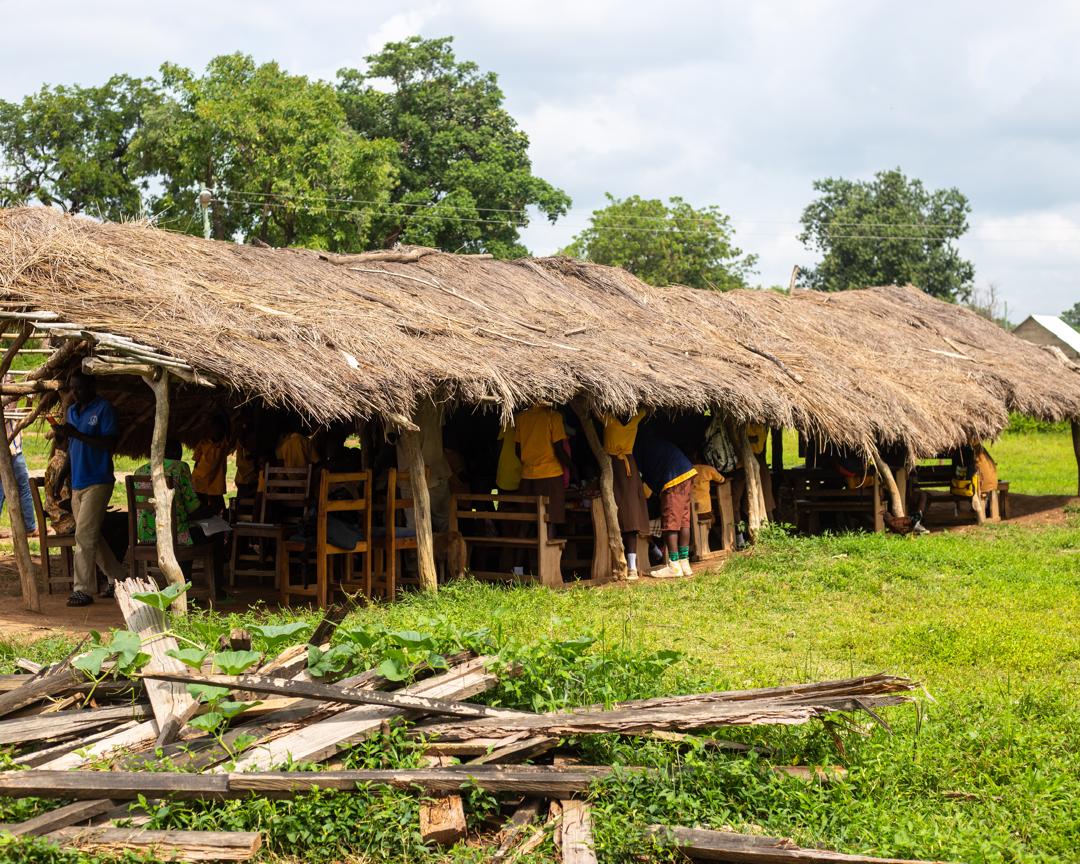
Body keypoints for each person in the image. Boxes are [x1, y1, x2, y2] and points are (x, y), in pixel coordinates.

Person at [54, 372, 125, 606]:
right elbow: (72, 448)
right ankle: (120, 578)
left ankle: (82, 590)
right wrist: (60, 477)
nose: (76, 393)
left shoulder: (104, 409)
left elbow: (109, 444)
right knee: (91, 537)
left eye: (81, 388)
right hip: (77, 483)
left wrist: (78, 434)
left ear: (92, 385)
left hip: (98, 480)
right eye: (73, 389)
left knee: (83, 536)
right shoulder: (73, 412)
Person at [134, 438, 225, 600]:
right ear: (176, 453)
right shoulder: (179, 468)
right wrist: (212, 511)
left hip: (148, 536)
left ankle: (183, 582)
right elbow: (194, 509)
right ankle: (216, 589)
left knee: (189, 530)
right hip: (175, 537)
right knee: (215, 536)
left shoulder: (140, 471)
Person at [633, 426, 697, 578]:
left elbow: (638, 476)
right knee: (683, 521)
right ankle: (684, 563)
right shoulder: (656, 443)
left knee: (670, 523)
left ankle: (674, 565)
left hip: (672, 478)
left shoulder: (638, 448)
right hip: (687, 473)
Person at [603, 409, 649, 581]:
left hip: (614, 468)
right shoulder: (636, 419)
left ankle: (630, 568)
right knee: (630, 517)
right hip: (628, 469)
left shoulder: (607, 418)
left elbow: (592, 409)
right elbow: (647, 408)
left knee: (628, 518)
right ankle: (631, 567)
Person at [514, 404, 573, 530]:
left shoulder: (521, 418)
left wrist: (530, 463)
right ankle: (547, 549)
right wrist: (573, 467)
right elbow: (559, 449)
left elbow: (517, 450)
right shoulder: (553, 416)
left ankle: (522, 550)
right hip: (550, 475)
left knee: (526, 523)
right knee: (550, 521)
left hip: (527, 477)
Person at [0, 397, 37, 538]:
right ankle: (30, 527)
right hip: (10, 450)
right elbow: (7, 416)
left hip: (13, 448)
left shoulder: (8, 384)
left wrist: (29, 402)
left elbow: (19, 417)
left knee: (2, 488)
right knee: (24, 488)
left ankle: (30, 526)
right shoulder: (6, 396)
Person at [191, 414, 231, 515]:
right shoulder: (203, 443)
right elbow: (196, 461)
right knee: (200, 506)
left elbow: (229, 429)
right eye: (212, 428)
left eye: (217, 428)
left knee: (218, 507)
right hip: (199, 480)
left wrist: (222, 411)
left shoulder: (223, 444)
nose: (215, 430)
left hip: (216, 481)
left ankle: (221, 526)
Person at [43, 430, 75, 535]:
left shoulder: (62, 460)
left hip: (67, 516)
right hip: (64, 520)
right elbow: (63, 501)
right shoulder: (60, 464)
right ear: (67, 441)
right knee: (97, 524)